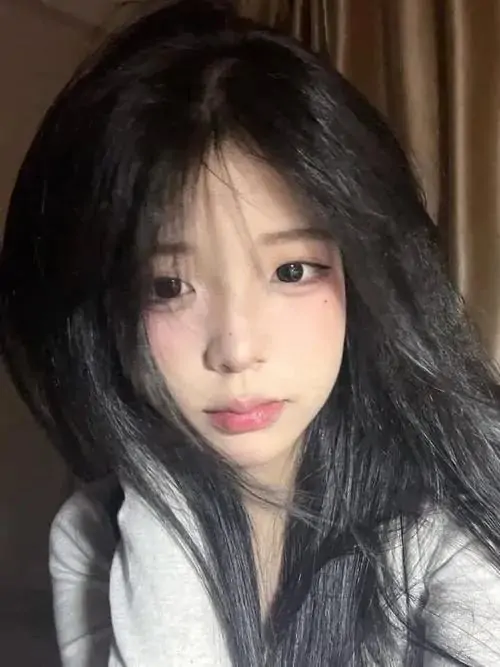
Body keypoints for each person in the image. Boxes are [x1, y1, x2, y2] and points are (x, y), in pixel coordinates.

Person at [2, 0, 500, 664]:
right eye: (168, 286)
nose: (236, 349)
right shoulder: (94, 533)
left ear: (366, 275)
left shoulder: (444, 522)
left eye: (291, 270)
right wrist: (163, 487)